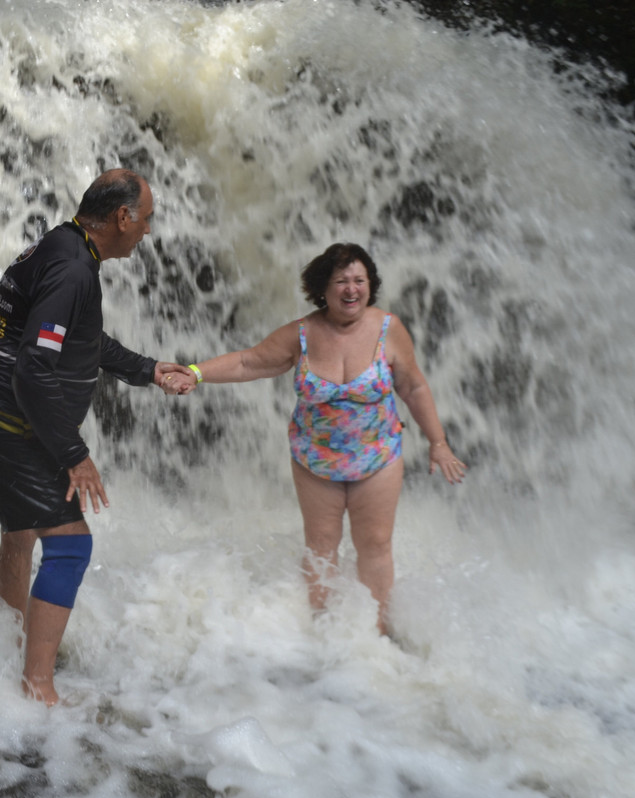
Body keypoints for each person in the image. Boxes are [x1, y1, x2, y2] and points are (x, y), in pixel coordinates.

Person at [0, 169, 194, 705]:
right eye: (146, 218)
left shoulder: (65, 245)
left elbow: (81, 340)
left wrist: (148, 368)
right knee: (70, 545)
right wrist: (74, 455)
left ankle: (18, 643)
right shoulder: (72, 269)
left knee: (21, 533)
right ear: (121, 217)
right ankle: (38, 685)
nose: (148, 231)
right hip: (9, 423)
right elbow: (33, 370)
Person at [171, 243, 465, 634]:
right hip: (315, 461)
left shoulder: (387, 329)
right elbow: (249, 362)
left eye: (359, 280)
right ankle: (322, 631)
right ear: (322, 289)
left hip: (377, 457)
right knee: (321, 547)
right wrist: (196, 372)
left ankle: (376, 636)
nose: (351, 289)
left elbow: (412, 387)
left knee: (375, 545)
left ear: (370, 286)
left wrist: (438, 442)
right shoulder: (302, 334)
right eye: (341, 281)